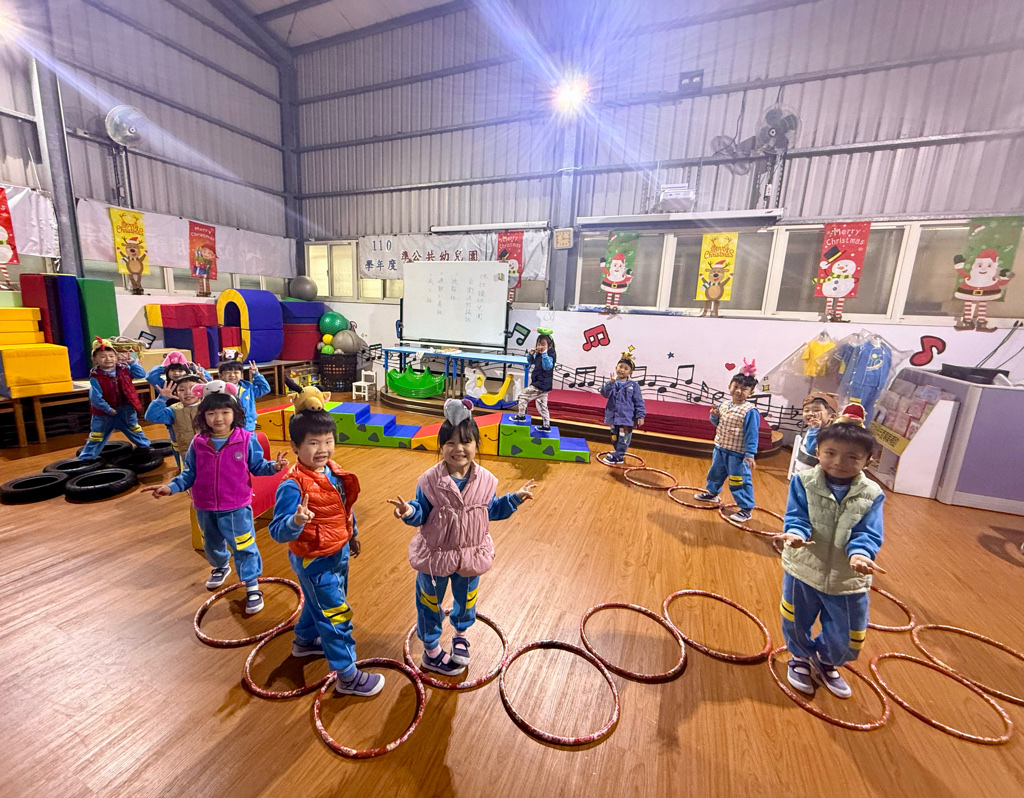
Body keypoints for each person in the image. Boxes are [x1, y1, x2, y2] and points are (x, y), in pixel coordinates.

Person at [388, 399, 537, 676]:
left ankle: (460, 635)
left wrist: (514, 499)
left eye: (466, 442)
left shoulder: (487, 480)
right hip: (435, 557)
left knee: (466, 600)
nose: (459, 448)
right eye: (450, 443)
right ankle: (431, 650)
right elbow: (421, 513)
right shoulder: (429, 481)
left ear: (476, 445)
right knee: (429, 602)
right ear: (441, 447)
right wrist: (408, 511)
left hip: (470, 556)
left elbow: (490, 510)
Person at [142, 383, 288, 613]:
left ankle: (251, 584)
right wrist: (171, 487)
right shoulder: (198, 442)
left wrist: (273, 467)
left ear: (235, 413)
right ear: (203, 416)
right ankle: (221, 566)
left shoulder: (246, 439)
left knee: (244, 546)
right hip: (205, 506)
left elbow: (258, 466)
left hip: (236, 507)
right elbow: (189, 472)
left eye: (224, 412)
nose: (218, 418)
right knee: (211, 544)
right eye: (211, 413)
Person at [269, 406, 383, 697]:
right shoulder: (292, 485)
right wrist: (295, 521)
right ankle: (348, 676)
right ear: (295, 446)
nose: (323, 449)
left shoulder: (333, 470)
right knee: (335, 615)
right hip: (314, 560)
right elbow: (277, 531)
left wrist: (353, 535)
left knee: (317, 603)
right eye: (313, 442)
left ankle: (305, 642)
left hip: (337, 551)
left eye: (328, 441)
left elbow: (343, 508)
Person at [775, 404, 885, 699]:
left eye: (853, 457)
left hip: (846, 578)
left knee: (847, 633)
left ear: (868, 460)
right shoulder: (804, 482)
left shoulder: (872, 494)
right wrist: (796, 534)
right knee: (795, 619)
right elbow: (796, 517)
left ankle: (826, 659)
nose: (839, 462)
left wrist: (861, 553)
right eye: (831, 453)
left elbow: (869, 531)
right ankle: (799, 656)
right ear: (818, 451)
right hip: (804, 569)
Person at [694, 369, 761, 522]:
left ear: (751, 392)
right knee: (715, 473)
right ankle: (712, 494)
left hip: (738, 454)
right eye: (735, 386)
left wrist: (750, 454)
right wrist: (714, 416)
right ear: (729, 386)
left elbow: (752, 434)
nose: (738, 391)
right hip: (720, 449)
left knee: (739, 480)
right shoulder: (723, 405)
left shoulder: (750, 411)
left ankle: (746, 509)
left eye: (744, 389)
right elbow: (718, 423)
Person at [80, 337, 152, 461]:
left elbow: (141, 374)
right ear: (94, 359)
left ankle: (144, 447)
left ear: (116, 357)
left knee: (134, 429)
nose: (108, 359)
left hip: (126, 409)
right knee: (97, 435)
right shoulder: (96, 377)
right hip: (104, 414)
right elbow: (95, 398)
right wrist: (108, 409)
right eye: (103, 356)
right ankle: (87, 458)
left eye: (111, 356)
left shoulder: (124, 370)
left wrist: (132, 363)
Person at [144, 374, 206, 470]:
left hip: (210, 452)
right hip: (187, 454)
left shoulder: (208, 406)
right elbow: (151, 417)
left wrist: (213, 394)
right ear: (176, 393)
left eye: (192, 388)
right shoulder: (173, 411)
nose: (188, 393)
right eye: (182, 390)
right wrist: (162, 399)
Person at [599, 355, 646, 463]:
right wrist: (610, 383)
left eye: (626, 368)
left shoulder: (634, 386)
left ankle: (619, 454)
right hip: (613, 417)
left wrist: (640, 415)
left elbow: (639, 402)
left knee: (624, 437)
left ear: (630, 372)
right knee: (614, 437)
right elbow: (605, 393)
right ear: (616, 367)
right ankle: (618, 454)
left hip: (626, 418)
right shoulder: (612, 383)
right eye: (620, 367)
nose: (622, 370)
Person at [511, 332, 556, 431]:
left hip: (540, 384)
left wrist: (544, 353)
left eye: (543, 344)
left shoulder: (550, 355)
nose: (540, 347)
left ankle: (521, 416)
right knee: (542, 406)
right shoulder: (539, 354)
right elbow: (531, 362)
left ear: (549, 345)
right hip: (543, 385)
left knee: (522, 395)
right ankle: (546, 426)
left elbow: (547, 366)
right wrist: (530, 355)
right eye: (538, 344)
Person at [217, 358, 271, 432]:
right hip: (228, 428)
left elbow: (265, 388)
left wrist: (256, 375)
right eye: (228, 373)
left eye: (236, 372)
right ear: (220, 376)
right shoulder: (218, 390)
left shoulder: (248, 387)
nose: (232, 375)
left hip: (248, 426)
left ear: (241, 375)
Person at [793, 393, 837, 473]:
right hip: (801, 472)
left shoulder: (829, 434)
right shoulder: (812, 429)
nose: (810, 413)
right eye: (806, 410)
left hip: (814, 476)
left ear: (832, 416)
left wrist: (815, 429)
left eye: (816, 410)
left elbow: (812, 450)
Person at [145, 350, 210, 391]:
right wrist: (164, 366)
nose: (176, 373)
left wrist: (193, 367)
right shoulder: (164, 385)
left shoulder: (193, 384)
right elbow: (150, 376)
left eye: (180, 371)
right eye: (172, 370)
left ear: (186, 372)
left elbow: (207, 378)